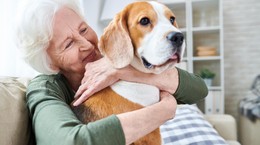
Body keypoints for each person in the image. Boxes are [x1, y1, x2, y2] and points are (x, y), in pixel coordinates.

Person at [16, 0, 208, 145]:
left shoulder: (117, 58)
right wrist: (163, 111)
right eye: (68, 44)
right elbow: (69, 142)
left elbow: (199, 90)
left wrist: (121, 71)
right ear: (51, 63)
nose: (86, 44)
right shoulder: (44, 88)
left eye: (83, 30)